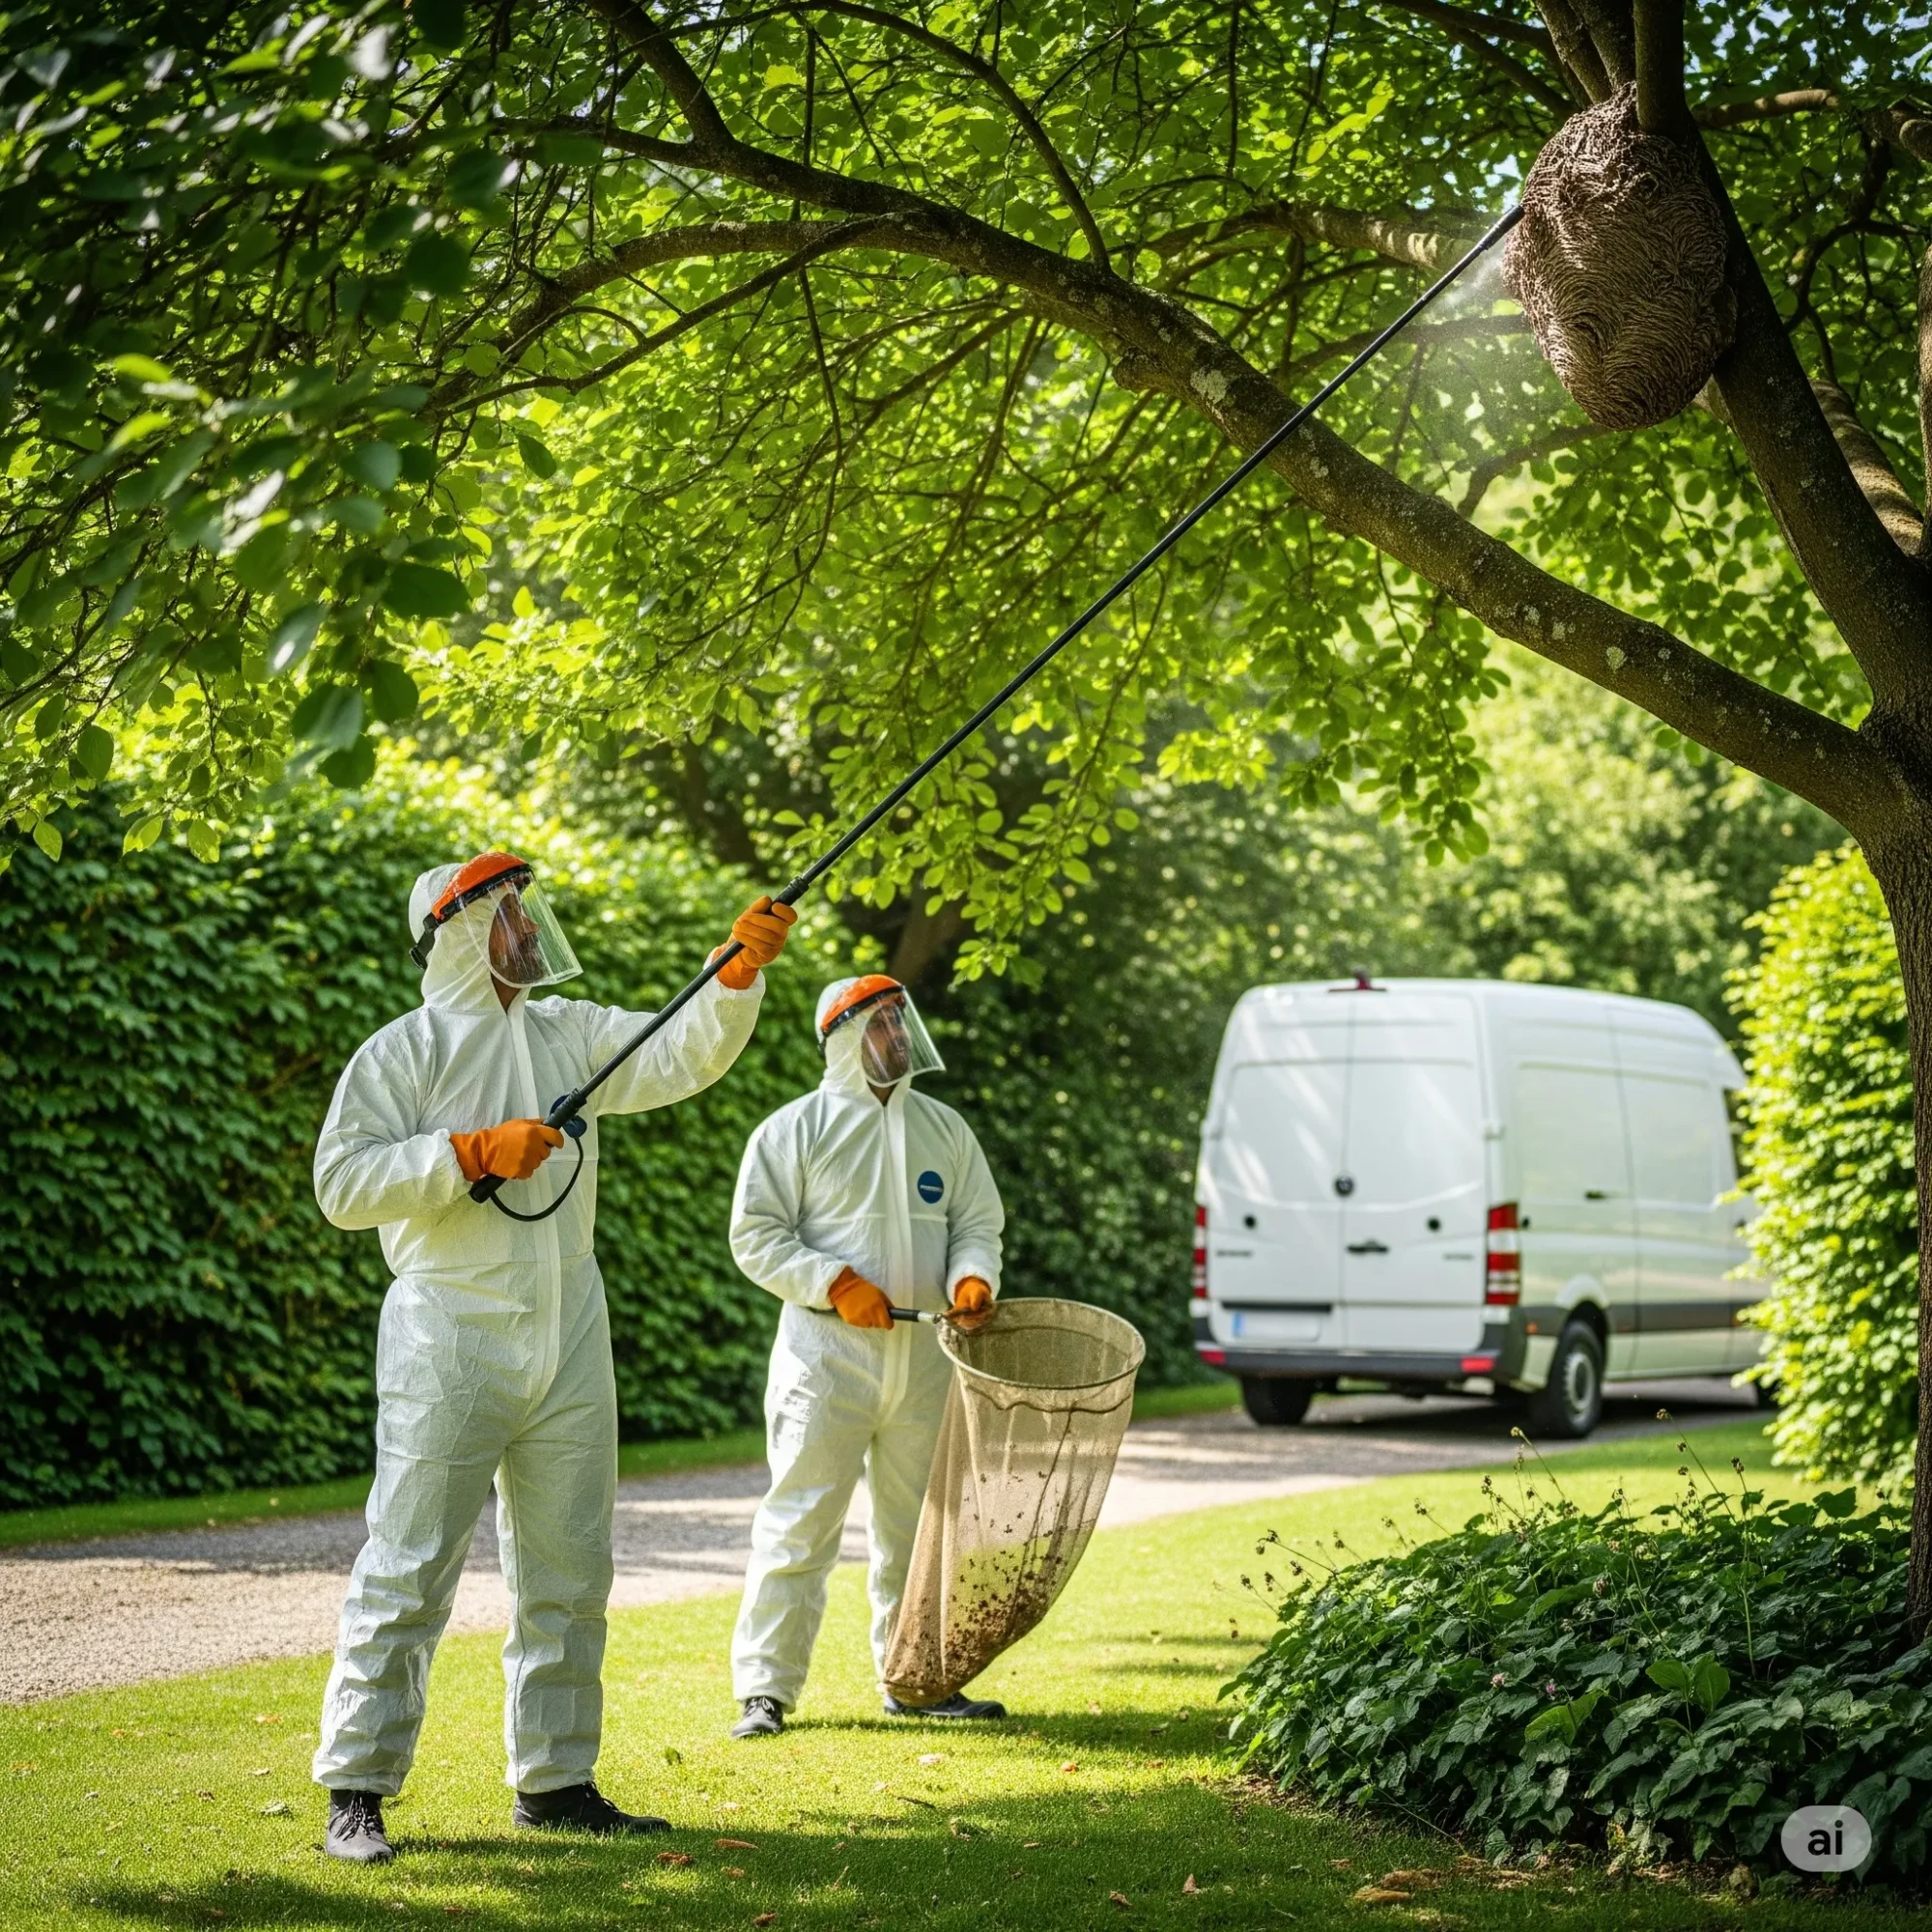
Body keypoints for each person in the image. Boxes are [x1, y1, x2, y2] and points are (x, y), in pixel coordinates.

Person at [310, 852, 794, 1863]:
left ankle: (557, 1782)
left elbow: (674, 1052)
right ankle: (356, 1788)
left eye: (526, 910)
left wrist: (735, 975)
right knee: (409, 1563)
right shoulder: (401, 1052)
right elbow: (343, 1185)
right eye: (508, 913)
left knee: (571, 1565)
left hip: (571, 1321)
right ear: (456, 933)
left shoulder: (566, 1029)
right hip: (449, 1327)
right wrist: (468, 1154)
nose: (529, 926)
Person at [725, 974, 1006, 1739]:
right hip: (826, 1363)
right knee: (800, 1524)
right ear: (843, 1037)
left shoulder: (944, 1128)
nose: (898, 1037)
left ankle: (915, 1682)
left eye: (901, 1022)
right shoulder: (794, 1130)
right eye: (882, 1024)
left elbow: (976, 1222)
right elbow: (755, 1235)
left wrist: (973, 1277)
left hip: (924, 1362)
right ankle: (765, 1691)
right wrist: (834, 1283)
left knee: (917, 1530)